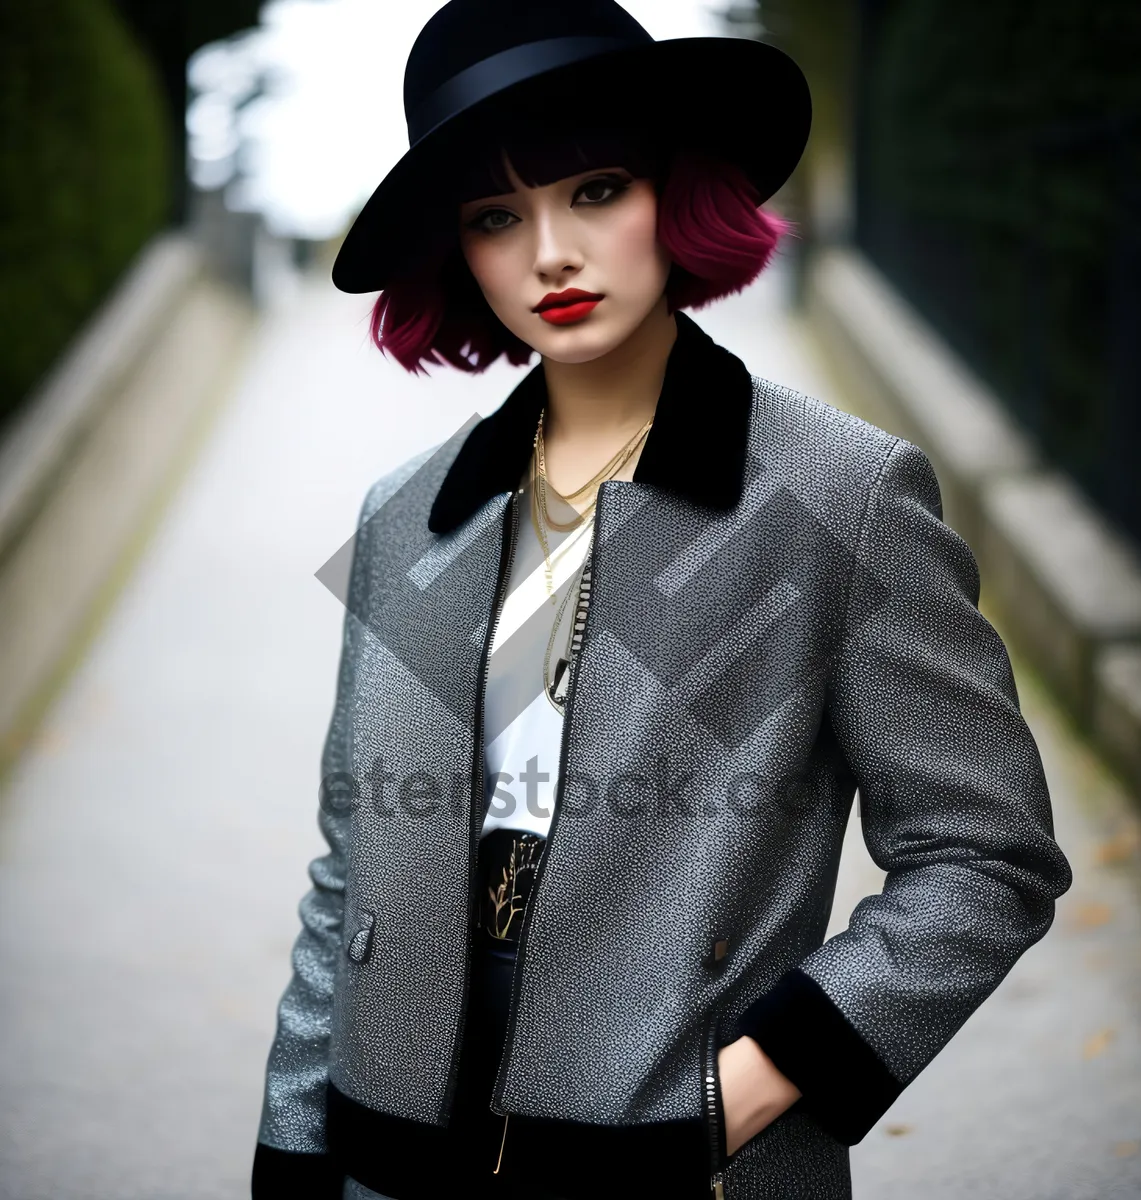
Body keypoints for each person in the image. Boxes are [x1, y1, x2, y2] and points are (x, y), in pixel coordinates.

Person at [251, 3, 1074, 1199]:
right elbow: (349, 874)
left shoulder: (840, 495)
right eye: (496, 216)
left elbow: (985, 855)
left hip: (680, 1162)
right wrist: (292, 1153)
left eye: (595, 191)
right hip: (390, 1156)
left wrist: (750, 1088)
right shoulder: (406, 514)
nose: (551, 254)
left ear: (674, 193)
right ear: (460, 254)